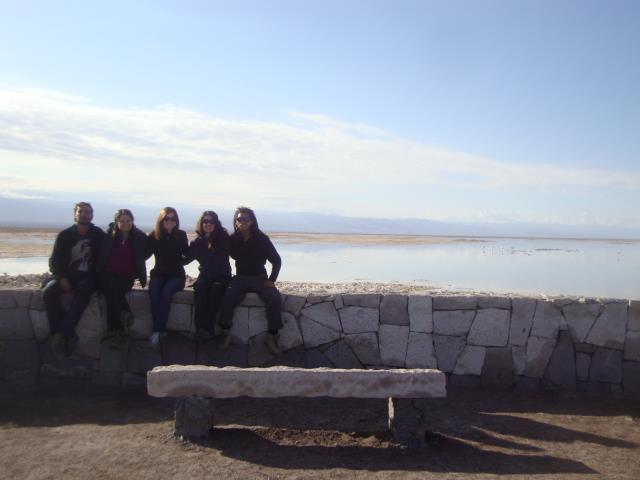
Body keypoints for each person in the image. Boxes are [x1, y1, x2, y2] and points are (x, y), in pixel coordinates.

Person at [42, 202, 105, 355]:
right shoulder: (65, 235)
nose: (84, 214)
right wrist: (62, 278)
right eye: (80, 211)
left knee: (84, 289)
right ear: (75, 214)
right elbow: (54, 261)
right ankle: (63, 332)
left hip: (89, 276)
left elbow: (109, 251)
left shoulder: (98, 235)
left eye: (87, 212)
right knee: (48, 292)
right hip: (68, 275)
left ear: (92, 215)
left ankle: (61, 333)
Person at [220, 207, 283, 354]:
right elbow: (220, 254)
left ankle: (272, 336)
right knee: (228, 296)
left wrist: (272, 279)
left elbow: (276, 260)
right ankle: (225, 333)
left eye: (246, 219)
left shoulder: (262, 239)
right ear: (236, 222)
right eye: (239, 219)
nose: (243, 222)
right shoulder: (233, 239)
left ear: (252, 221)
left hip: (259, 278)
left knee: (274, 298)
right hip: (240, 278)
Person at [96, 209, 147, 338]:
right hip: (107, 274)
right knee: (110, 287)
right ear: (116, 222)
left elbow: (145, 253)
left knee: (112, 291)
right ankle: (123, 317)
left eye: (128, 220)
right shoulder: (108, 236)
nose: (125, 223)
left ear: (132, 221)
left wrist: (138, 268)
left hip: (126, 276)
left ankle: (115, 328)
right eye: (122, 221)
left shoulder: (139, 237)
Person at [146, 207, 189, 348]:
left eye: (173, 218)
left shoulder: (181, 235)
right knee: (153, 293)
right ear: (161, 220)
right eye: (166, 218)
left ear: (176, 221)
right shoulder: (154, 236)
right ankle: (159, 330)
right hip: (159, 274)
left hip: (176, 276)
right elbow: (144, 253)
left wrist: (179, 262)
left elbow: (188, 254)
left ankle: (157, 331)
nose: (170, 221)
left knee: (166, 292)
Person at [187, 210, 231, 340]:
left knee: (214, 293)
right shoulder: (197, 242)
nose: (208, 224)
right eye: (205, 221)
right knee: (200, 292)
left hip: (222, 276)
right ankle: (199, 329)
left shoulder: (223, 238)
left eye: (212, 221)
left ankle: (208, 330)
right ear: (201, 223)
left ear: (216, 223)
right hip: (205, 276)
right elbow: (187, 258)